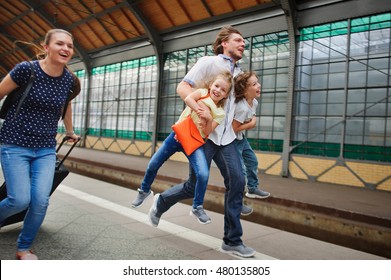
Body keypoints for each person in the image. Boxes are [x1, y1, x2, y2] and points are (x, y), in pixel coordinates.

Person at [148, 26, 256, 258]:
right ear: (223, 43)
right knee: (193, 184)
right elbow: (183, 86)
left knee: (237, 180)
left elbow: (234, 105)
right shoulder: (208, 62)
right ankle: (162, 201)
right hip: (204, 136)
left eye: (244, 42)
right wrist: (196, 106)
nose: (243, 44)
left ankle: (232, 241)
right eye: (238, 40)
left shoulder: (240, 74)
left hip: (225, 138)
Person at [0, 29, 80, 260]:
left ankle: (23, 249)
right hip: (14, 143)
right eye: (60, 44)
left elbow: (66, 105)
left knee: (40, 201)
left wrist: (70, 130)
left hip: (45, 148)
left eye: (70, 45)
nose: (66, 49)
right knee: (18, 200)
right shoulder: (27, 70)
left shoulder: (69, 80)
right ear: (46, 47)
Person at [131, 72, 232, 225]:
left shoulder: (219, 113)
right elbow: (188, 98)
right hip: (177, 136)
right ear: (211, 85)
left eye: (223, 90)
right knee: (153, 163)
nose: (218, 90)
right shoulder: (202, 93)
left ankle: (197, 206)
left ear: (226, 95)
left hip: (194, 142)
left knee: (203, 174)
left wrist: (208, 118)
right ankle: (144, 190)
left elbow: (207, 132)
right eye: (216, 86)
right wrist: (200, 109)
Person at [232, 71, 270, 203]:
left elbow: (252, 116)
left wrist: (251, 121)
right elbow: (234, 128)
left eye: (258, 82)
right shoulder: (241, 107)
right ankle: (238, 200)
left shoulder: (254, 102)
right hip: (232, 141)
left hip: (241, 138)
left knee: (252, 161)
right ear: (244, 90)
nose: (259, 85)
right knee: (240, 171)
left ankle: (252, 188)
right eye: (254, 84)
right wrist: (251, 124)